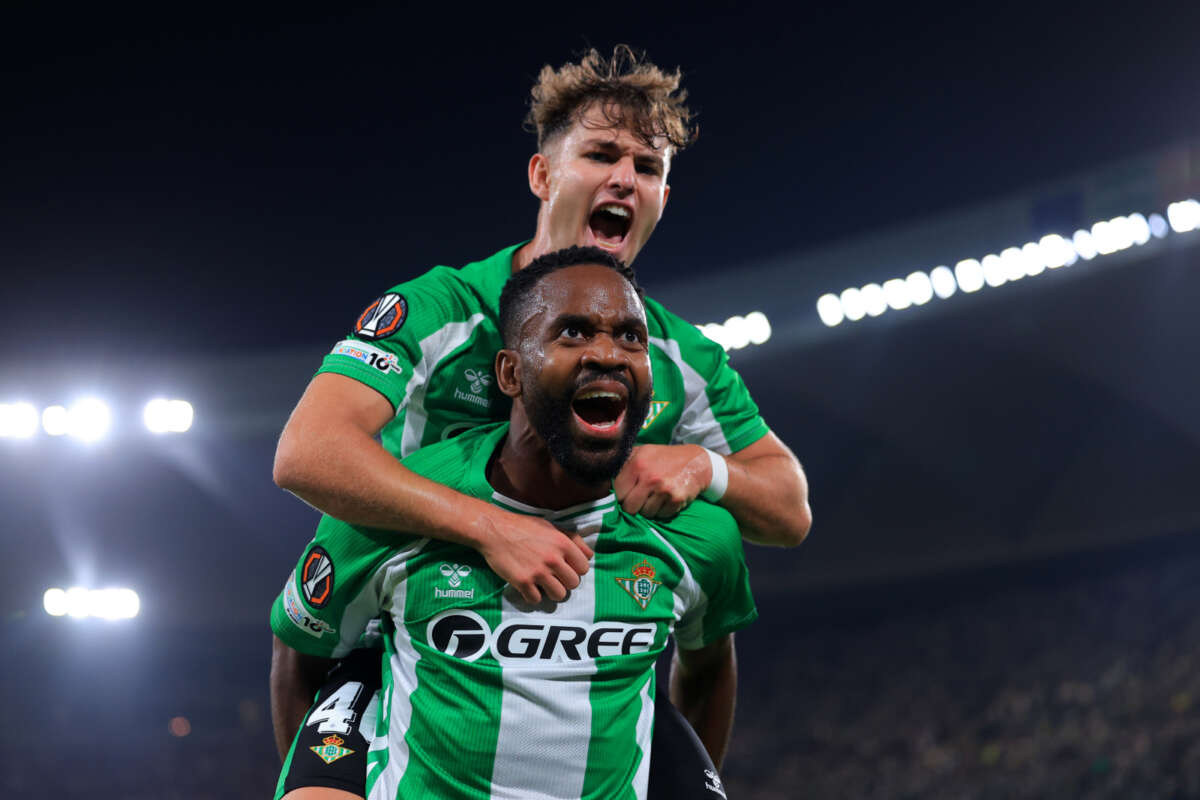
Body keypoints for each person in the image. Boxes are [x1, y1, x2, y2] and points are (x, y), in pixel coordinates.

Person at [270, 45, 810, 798]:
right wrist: (489, 527)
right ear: (542, 175)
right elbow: (306, 452)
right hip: (405, 630)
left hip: (587, 642)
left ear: (662, 197)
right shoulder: (440, 310)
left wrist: (704, 466)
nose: (625, 178)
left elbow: (788, 509)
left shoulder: (677, 355)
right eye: (601, 154)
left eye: (648, 167)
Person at [271, 248, 756, 799]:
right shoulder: (394, 507)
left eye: (631, 337)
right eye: (573, 333)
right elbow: (300, 651)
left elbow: (709, 667)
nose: (608, 354)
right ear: (510, 372)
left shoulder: (695, 535)